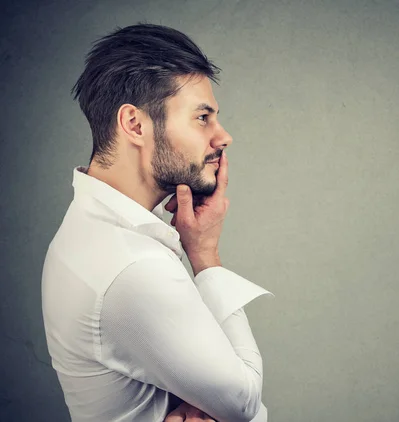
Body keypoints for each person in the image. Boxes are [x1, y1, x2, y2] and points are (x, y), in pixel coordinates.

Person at [41, 23, 273, 422]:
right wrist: (205, 255)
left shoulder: (88, 226)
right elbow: (245, 404)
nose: (223, 137)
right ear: (135, 124)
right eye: (203, 117)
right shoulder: (134, 266)